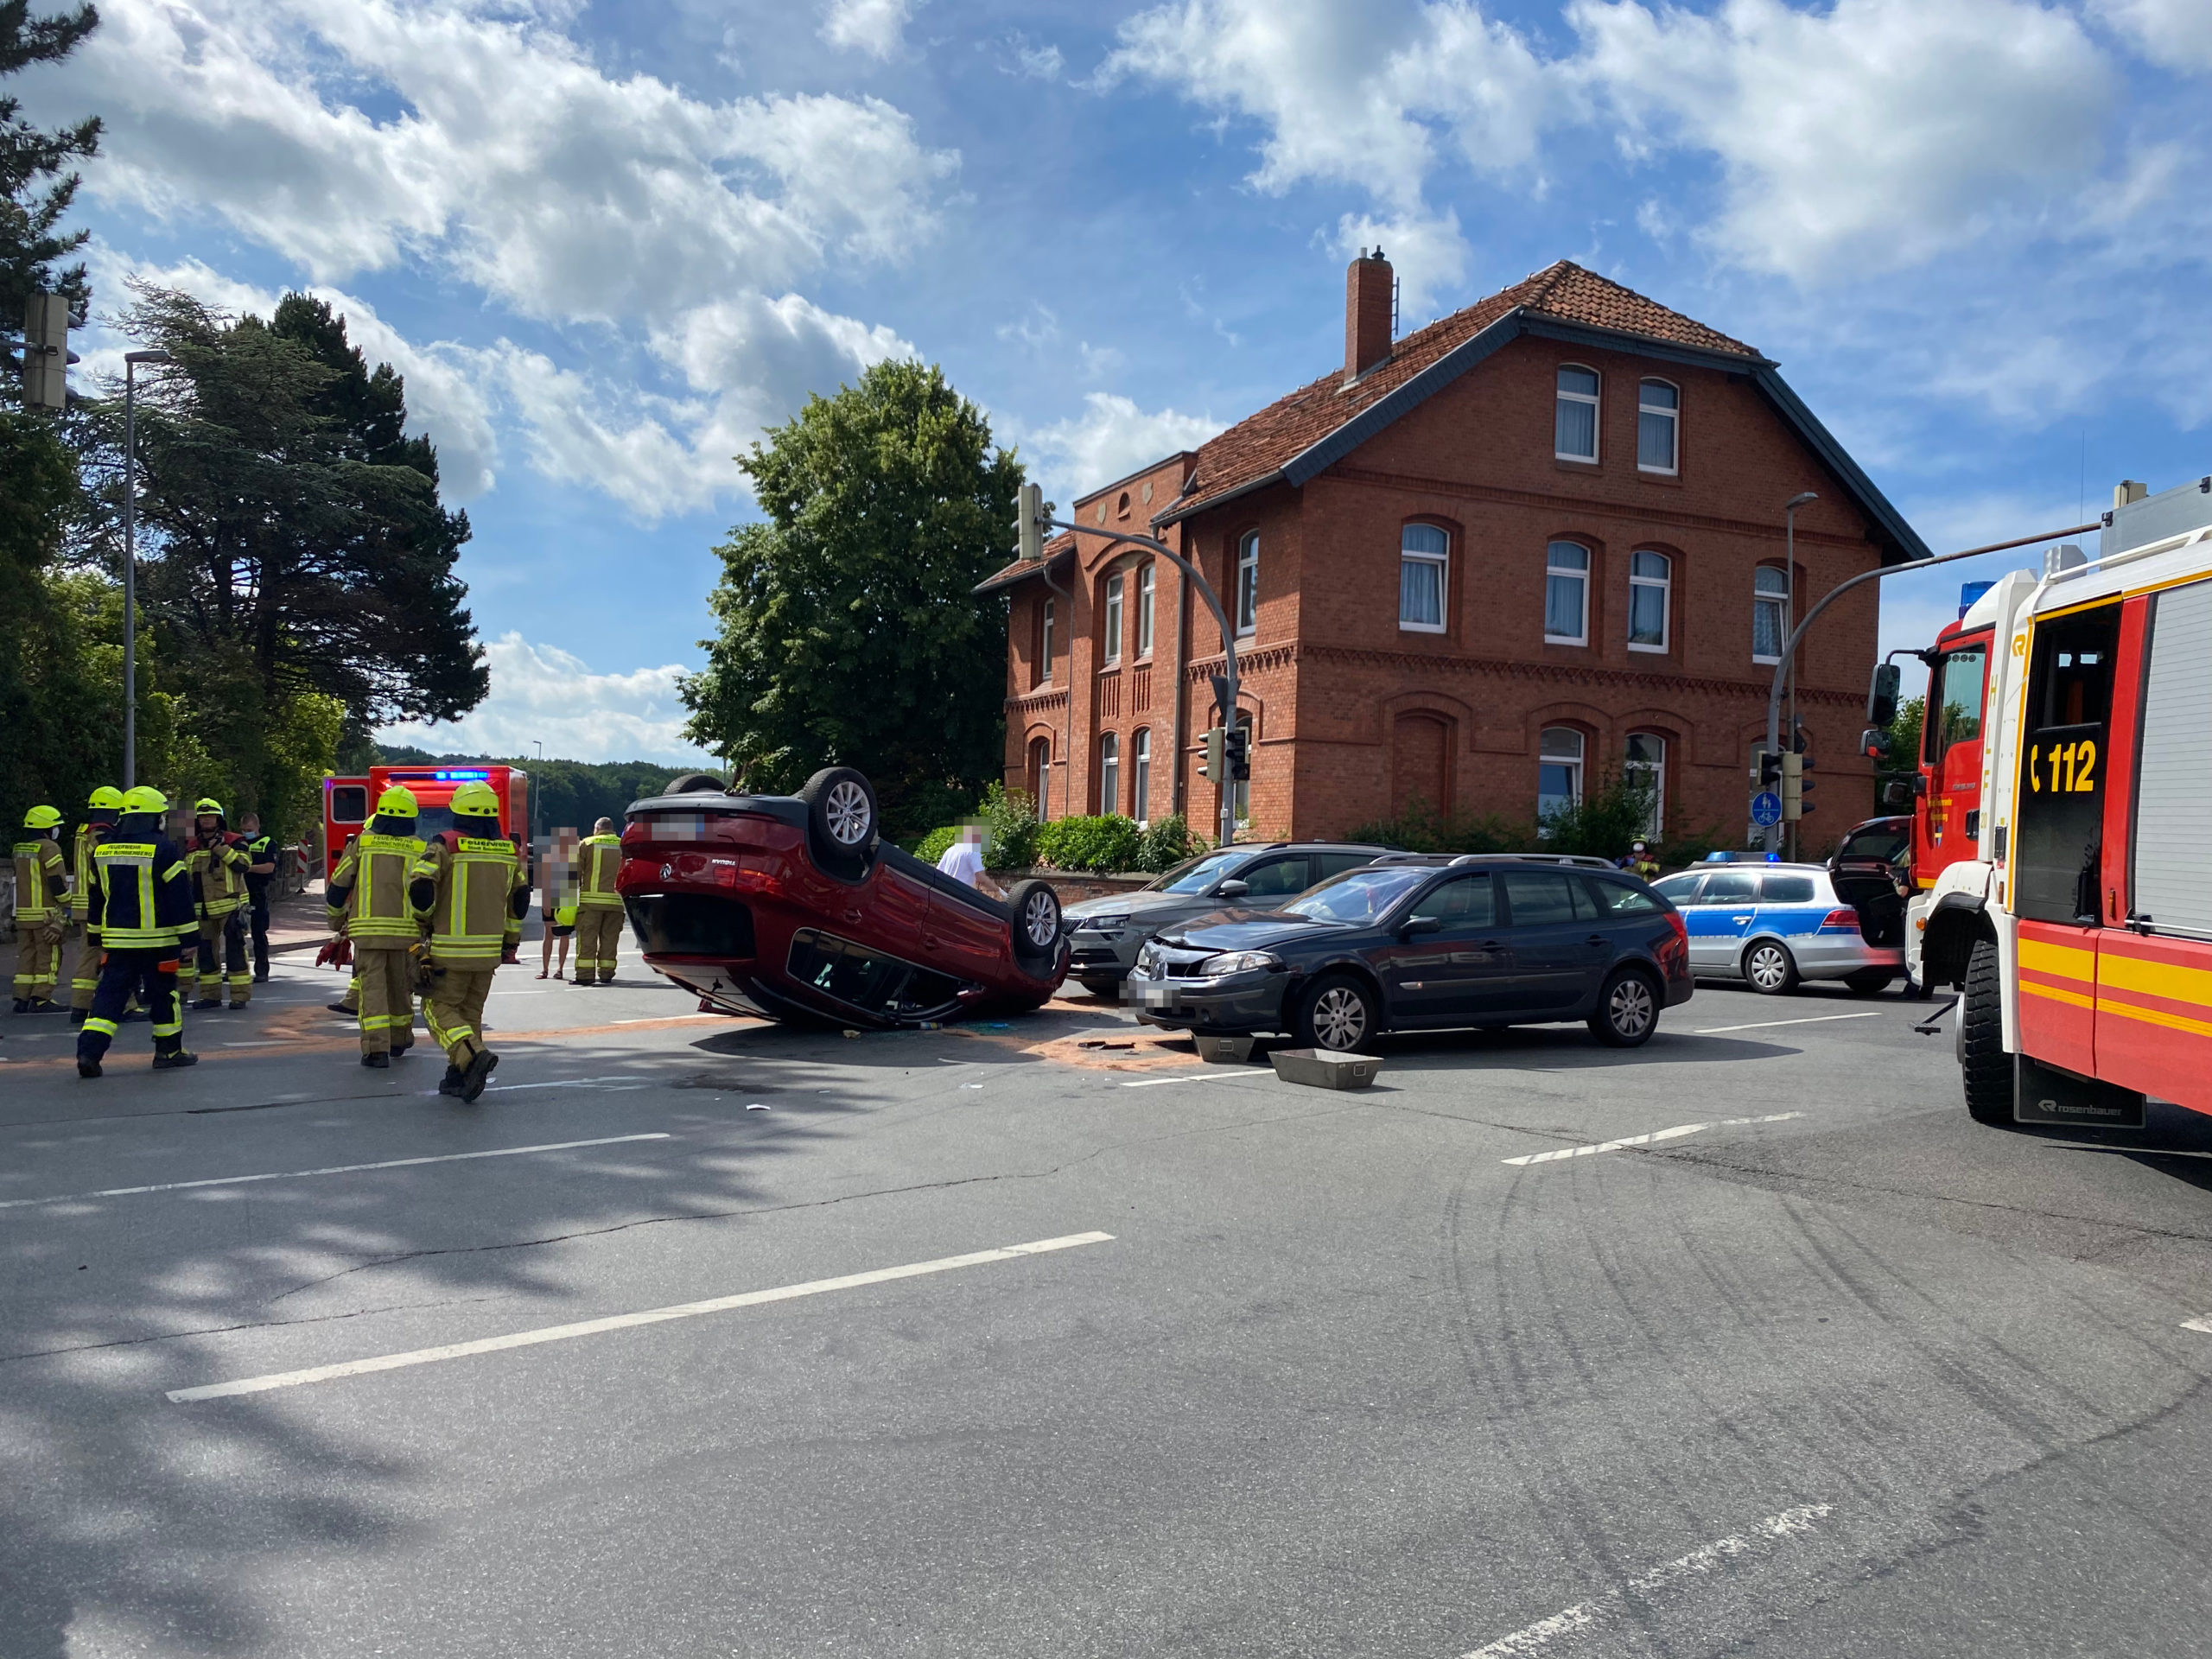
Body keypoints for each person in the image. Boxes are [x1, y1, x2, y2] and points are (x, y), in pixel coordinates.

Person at [410, 779, 529, 1101]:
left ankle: (473, 1054)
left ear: (457, 813)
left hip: (450, 952)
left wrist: (422, 923)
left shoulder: (444, 845)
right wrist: (510, 941)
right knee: (469, 1013)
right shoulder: (508, 850)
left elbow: (421, 889)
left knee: (436, 1009)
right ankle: (460, 1076)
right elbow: (519, 900)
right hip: (488, 953)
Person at [76, 786, 198, 1077]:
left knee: (109, 995)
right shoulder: (165, 849)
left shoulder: (102, 850)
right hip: (159, 941)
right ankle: (168, 1052)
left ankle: (88, 1053)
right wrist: (190, 939)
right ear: (155, 818)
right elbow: (179, 897)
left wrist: (95, 936)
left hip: (118, 941)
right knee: (163, 995)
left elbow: (97, 897)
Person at [326, 786, 429, 1070]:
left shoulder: (363, 842)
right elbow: (427, 894)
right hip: (407, 933)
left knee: (372, 991)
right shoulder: (421, 847)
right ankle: (399, 1040)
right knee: (400, 987)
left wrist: (336, 921)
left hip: (368, 933)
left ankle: (376, 1051)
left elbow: (339, 884)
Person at [185, 798, 253, 1009]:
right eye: (202, 817)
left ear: (219, 818)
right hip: (202, 910)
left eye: (211, 816)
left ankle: (239, 996)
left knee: (235, 952)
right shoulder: (191, 845)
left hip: (230, 907)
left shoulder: (235, 840)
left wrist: (220, 848)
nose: (206, 820)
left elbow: (243, 865)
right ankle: (210, 996)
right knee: (206, 955)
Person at [66, 786, 124, 1026]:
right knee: (116, 953)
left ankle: (80, 1006)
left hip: (82, 903)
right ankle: (126, 1005)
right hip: (97, 904)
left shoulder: (83, 832)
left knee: (88, 956)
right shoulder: (101, 834)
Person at [11, 805, 69, 1013]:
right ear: (48, 828)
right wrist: (67, 903)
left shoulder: (20, 848)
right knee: (49, 957)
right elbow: (56, 881)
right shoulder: (49, 847)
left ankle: (22, 998)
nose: (57, 830)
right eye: (55, 826)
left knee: (27, 956)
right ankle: (42, 998)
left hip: (24, 916)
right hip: (45, 915)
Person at [571, 818, 624, 986]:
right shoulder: (624, 845)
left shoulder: (587, 844)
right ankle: (606, 973)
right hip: (616, 902)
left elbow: (574, 874)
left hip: (591, 903)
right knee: (610, 939)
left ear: (597, 828)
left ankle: (585, 975)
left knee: (587, 939)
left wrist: (566, 901)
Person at [239, 811, 278, 982]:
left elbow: (269, 867)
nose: (246, 832)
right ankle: (237, 969)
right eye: (243, 829)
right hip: (239, 894)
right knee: (235, 934)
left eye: (249, 829)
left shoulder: (267, 843)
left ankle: (262, 970)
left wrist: (248, 868)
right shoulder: (238, 843)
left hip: (257, 893)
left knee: (258, 933)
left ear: (257, 827)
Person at [537, 825, 579, 980]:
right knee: (548, 934)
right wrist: (546, 902)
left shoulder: (574, 861)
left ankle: (560, 969)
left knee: (564, 935)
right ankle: (545, 969)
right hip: (553, 898)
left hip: (567, 900)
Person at [935, 822, 1003, 898]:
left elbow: (938, 872)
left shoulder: (951, 850)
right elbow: (981, 878)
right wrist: (998, 890)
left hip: (945, 892)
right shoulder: (973, 852)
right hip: (961, 894)